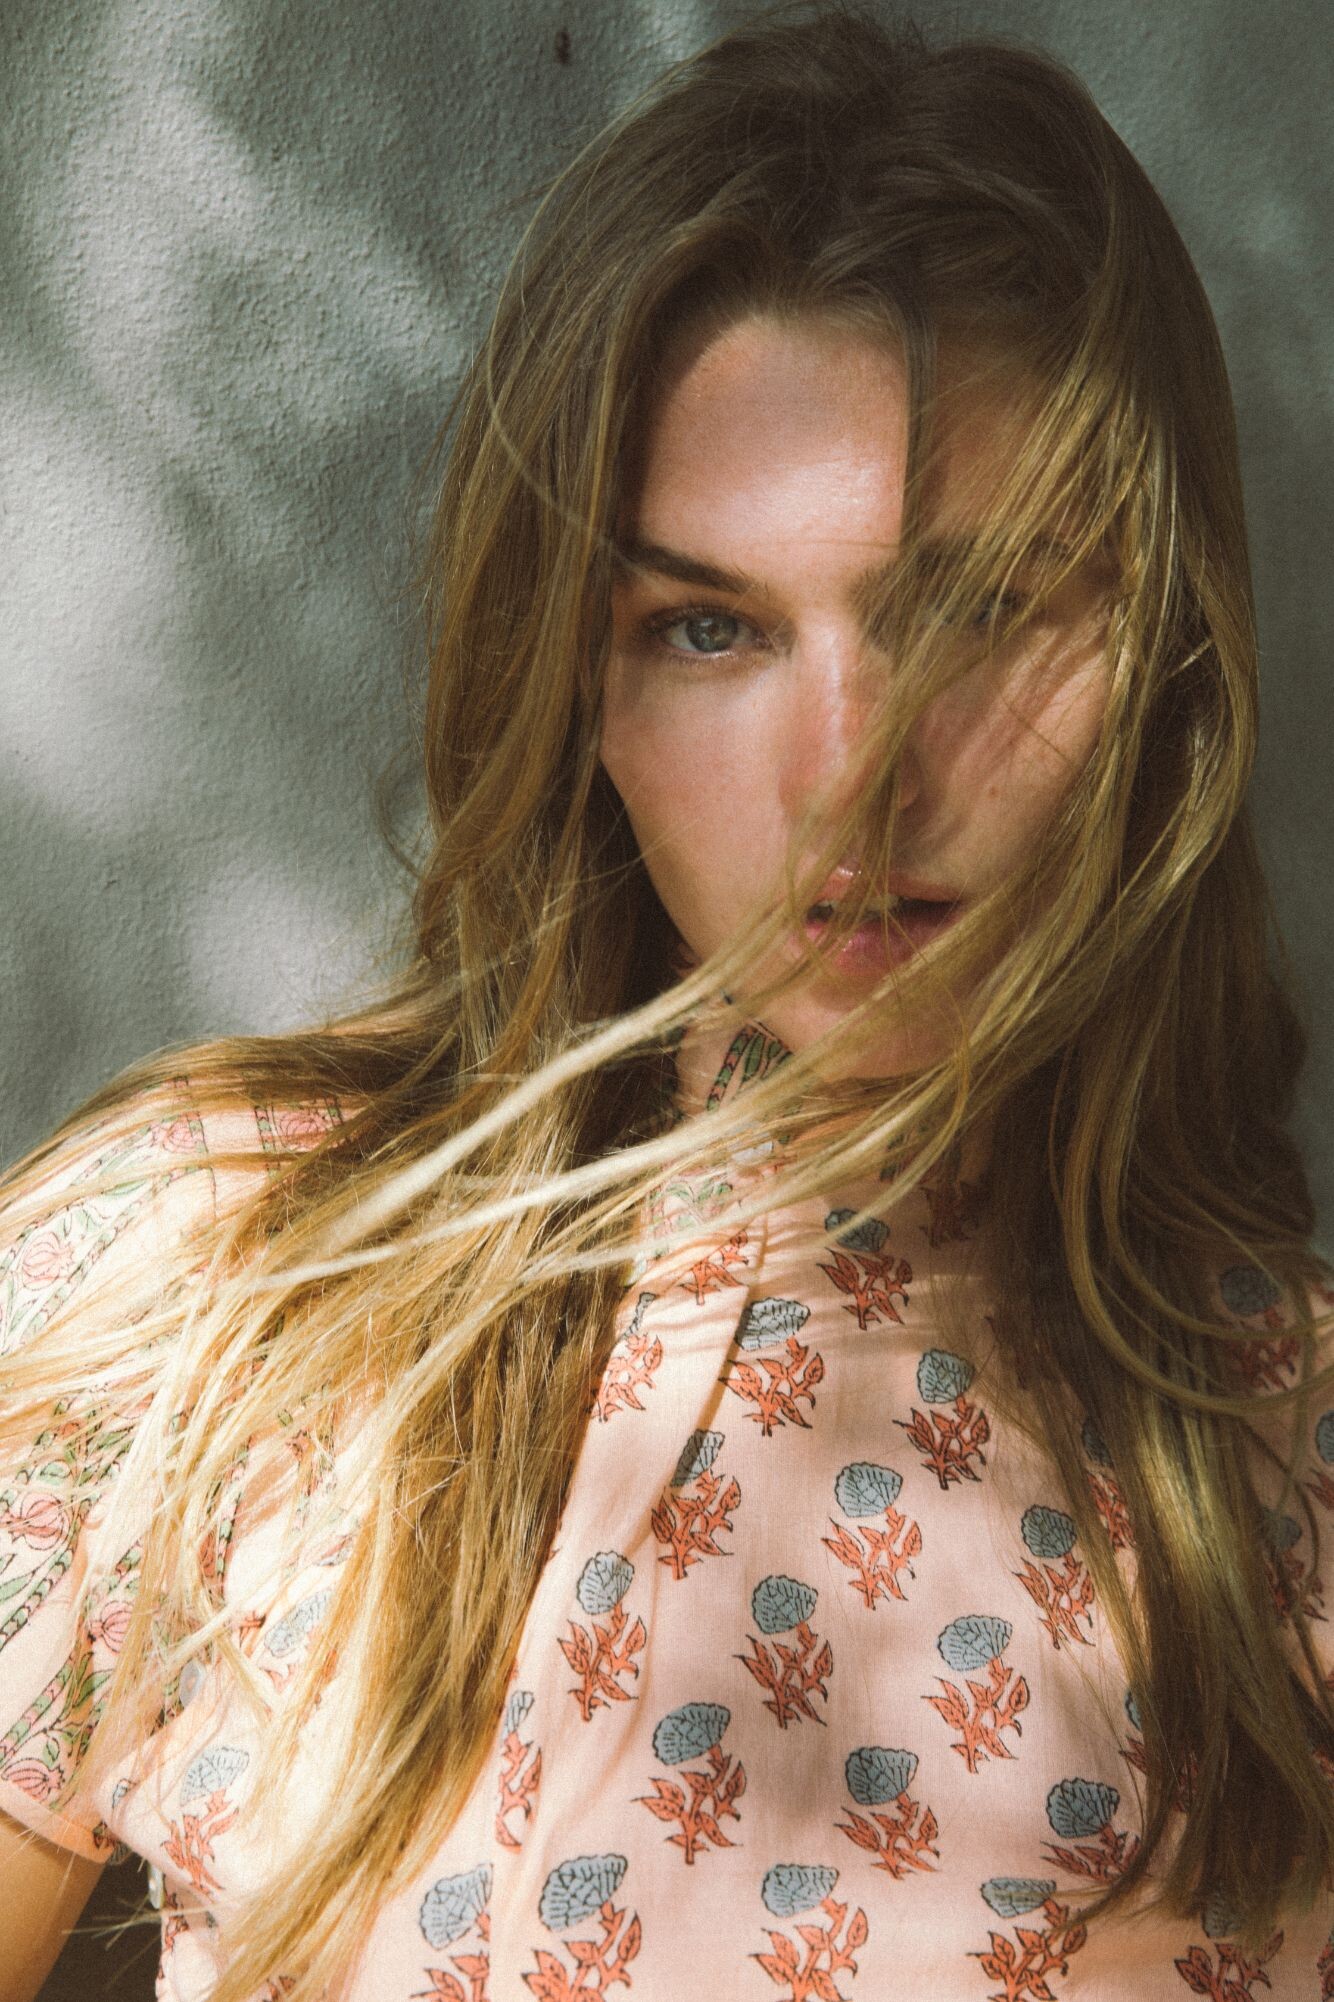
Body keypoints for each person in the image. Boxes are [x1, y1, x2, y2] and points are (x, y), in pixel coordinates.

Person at [2, 8, 1332, 1999]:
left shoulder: (1287, 1436)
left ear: (1159, 655)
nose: (850, 773)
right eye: (708, 625)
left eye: (980, 608)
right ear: (577, 689)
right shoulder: (212, 1281)